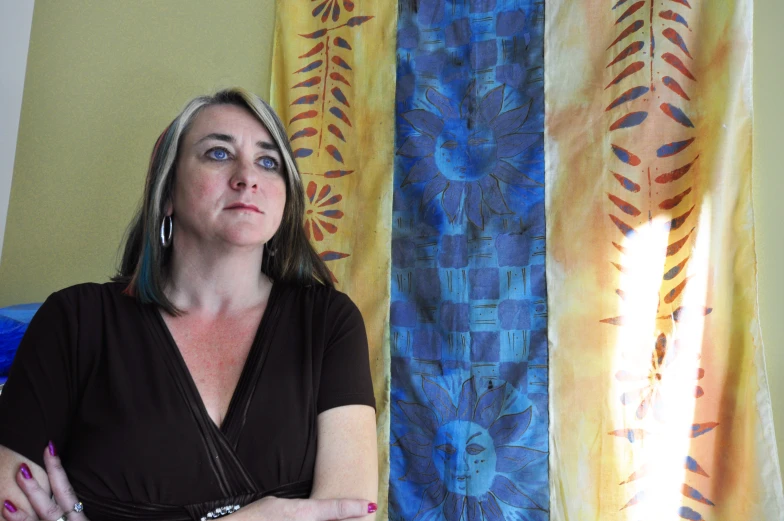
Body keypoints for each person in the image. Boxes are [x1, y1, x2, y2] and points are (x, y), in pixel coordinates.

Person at [0, 88, 378, 521]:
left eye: (268, 161)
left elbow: (349, 516)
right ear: (167, 193)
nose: (247, 176)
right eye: (218, 154)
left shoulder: (329, 323)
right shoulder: (74, 321)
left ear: (285, 198)